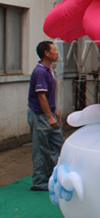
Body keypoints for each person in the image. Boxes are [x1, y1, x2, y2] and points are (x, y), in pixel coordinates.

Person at [27, 41, 64, 191]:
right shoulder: (40, 72)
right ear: (46, 54)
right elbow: (41, 96)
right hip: (40, 115)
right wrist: (49, 116)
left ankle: (52, 176)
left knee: (57, 144)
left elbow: (48, 96)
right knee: (41, 148)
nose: (57, 52)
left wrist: (54, 111)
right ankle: (39, 181)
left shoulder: (49, 70)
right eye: (54, 50)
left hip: (48, 113)